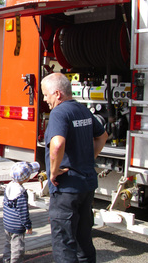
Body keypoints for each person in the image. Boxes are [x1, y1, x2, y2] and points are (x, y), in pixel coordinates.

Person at [41, 73, 108, 263]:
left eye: (46, 95)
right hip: (86, 185)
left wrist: (53, 171)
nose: (45, 100)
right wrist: (87, 158)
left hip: (66, 190)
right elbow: (103, 136)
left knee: (64, 244)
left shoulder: (59, 113)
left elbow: (57, 144)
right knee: (83, 240)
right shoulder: (83, 110)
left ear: (57, 94)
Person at [3, 161, 37, 263]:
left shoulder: (9, 186)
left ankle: (6, 260)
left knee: (8, 244)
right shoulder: (21, 193)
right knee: (18, 249)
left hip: (7, 223)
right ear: (26, 178)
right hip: (17, 226)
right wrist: (28, 225)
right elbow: (23, 212)